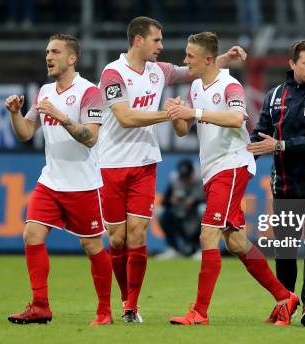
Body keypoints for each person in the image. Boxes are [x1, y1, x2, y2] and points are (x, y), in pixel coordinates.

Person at [98, 16, 246, 323]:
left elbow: (194, 68)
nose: (162, 47)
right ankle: (125, 296)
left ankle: (130, 307)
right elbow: (125, 118)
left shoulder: (158, 71)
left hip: (144, 163)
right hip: (111, 164)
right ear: (138, 40)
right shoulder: (112, 74)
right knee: (117, 240)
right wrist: (168, 114)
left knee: (137, 234)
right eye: (157, 40)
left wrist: (224, 59)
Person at [166, 31, 299, 326]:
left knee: (208, 234)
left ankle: (199, 311)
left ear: (208, 59)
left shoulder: (229, 85)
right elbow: (182, 129)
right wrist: (176, 113)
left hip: (233, 164)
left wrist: (194, 111)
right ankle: (284, 297)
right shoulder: (196, 86)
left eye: (190, 56)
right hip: (212, 169)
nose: (185, 61)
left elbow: (238, 118)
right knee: (236, 242)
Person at [5, 34, 113, 326]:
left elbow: (90, 138)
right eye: (47, 52)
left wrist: (61, 116)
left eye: (55, 52)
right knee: (32, 235)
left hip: (83, 185)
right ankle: (40, 306)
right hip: (51, 182)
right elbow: (27, 132)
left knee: (91, 247)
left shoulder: (90, 92)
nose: (48, 57)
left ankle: (104, 311)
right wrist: (15, 115)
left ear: (72, 58)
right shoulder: (44, 92)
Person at [247, 39, 305, 327]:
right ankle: (286, 303)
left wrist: (281, 146)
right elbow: (260, 137)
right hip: (284, 184)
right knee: (285, 249)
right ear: (292, 64)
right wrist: (238, 159)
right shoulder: (274, 96)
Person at [156, 159, 204, 259]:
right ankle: (172, 248)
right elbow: (164, 202)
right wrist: (171, 200)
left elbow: (211, 200)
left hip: (196, 214)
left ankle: (202, 249)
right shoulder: (174, 178)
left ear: (192, 173)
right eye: (183, 177)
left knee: (203, 209)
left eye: (187, 177)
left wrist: (195, 200)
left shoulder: (202, 177)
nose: (185, 180)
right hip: (181, 212)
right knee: (160, 211)